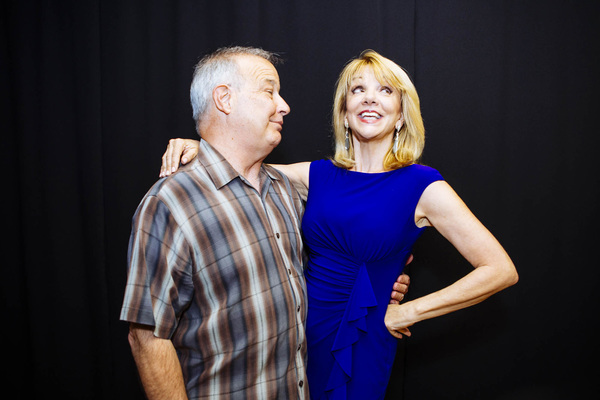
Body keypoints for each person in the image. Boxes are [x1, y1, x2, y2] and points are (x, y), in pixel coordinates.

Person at [160, 49, 518, 400]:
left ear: (401, 116)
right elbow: (240, 168)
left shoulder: (423, 186)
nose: (370, 99)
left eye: (385, 91)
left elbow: (500, 269)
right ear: (344, 113)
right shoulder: (316, 175)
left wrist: (408, 312)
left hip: (362, 337)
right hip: (295, 337)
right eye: (358, 90)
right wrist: (198, 146)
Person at [120, 46, 409, 400]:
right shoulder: (173, 201)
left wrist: (383, 278)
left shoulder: (285, 190)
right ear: (224, 99)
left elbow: (350, 239)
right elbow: (147, 337)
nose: (284, 105)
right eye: (269, 91)